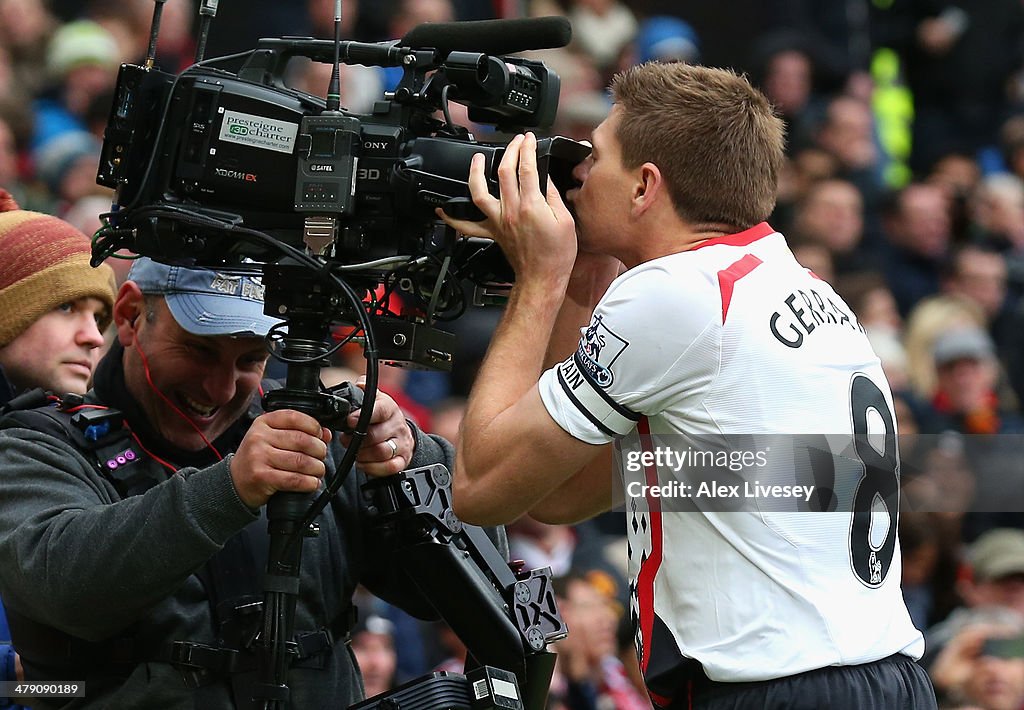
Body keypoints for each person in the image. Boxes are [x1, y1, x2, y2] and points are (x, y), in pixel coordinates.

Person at [438, 62, 935, 708]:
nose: (579, 174)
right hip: (878, 677)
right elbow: (556, 493)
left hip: (777, 690)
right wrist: (582, 288)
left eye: (599, 156)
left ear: (645, 187)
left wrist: (539, 280)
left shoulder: (678, 294)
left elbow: (479, 488)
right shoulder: (795, 287)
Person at [0, 255, 456, 709]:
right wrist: (230, 488)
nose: (220, 389)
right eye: (200, 349)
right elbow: (64, 590)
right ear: (130, 316)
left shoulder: (316, 432)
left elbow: (456, 600)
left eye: (251, 358)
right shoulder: (36, 445)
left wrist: (414, 462)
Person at [0, 190, 116, 710]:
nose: (93, 337)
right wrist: (15, 676)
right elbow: (36, 683)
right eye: (67, 306)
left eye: (99, 317)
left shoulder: (90, 437)